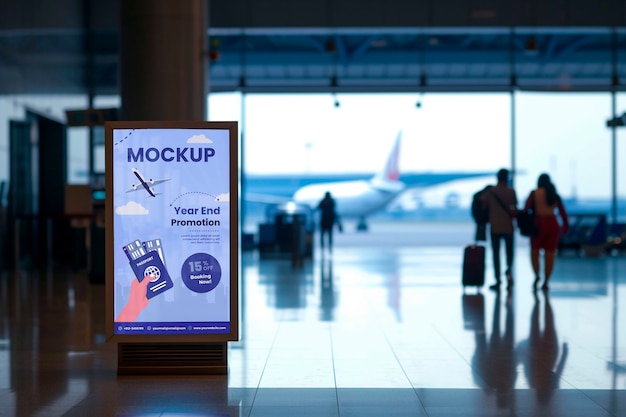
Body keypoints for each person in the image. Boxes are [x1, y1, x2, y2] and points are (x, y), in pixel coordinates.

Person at [524, 173, 570, 291]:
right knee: (550, 254)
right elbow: (562, 212)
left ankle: (537, 275)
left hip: (538, 224)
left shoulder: (534, 194)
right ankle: (547, 280)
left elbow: (526, 209)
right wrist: (565, 227)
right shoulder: (554, 195)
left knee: (535, 252)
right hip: (553, 224)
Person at [482, 168, 518, 291]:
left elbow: (483, 204)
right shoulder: (511, 191)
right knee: (509, 253)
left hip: (495, 227)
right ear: (507, 178)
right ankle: (508, 272)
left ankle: (497, 280)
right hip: (508, 227)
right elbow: (514, 208)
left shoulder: (491, 191)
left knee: (496, 254)